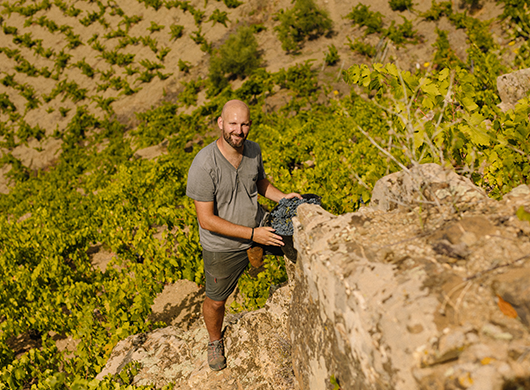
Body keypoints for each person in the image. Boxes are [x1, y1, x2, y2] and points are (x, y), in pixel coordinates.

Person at [186, 99, 301, 371]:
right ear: (221, 123)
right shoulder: (203, 164)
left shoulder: (253, 150)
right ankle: (214, 341)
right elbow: (206, 220)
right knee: (216, 301)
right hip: (223, 244)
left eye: (244, 124)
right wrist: (253, 235)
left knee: (301, 244)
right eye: (233, 124)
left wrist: (284, 196)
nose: (239, 130)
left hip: (260, 225)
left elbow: (259, 182)